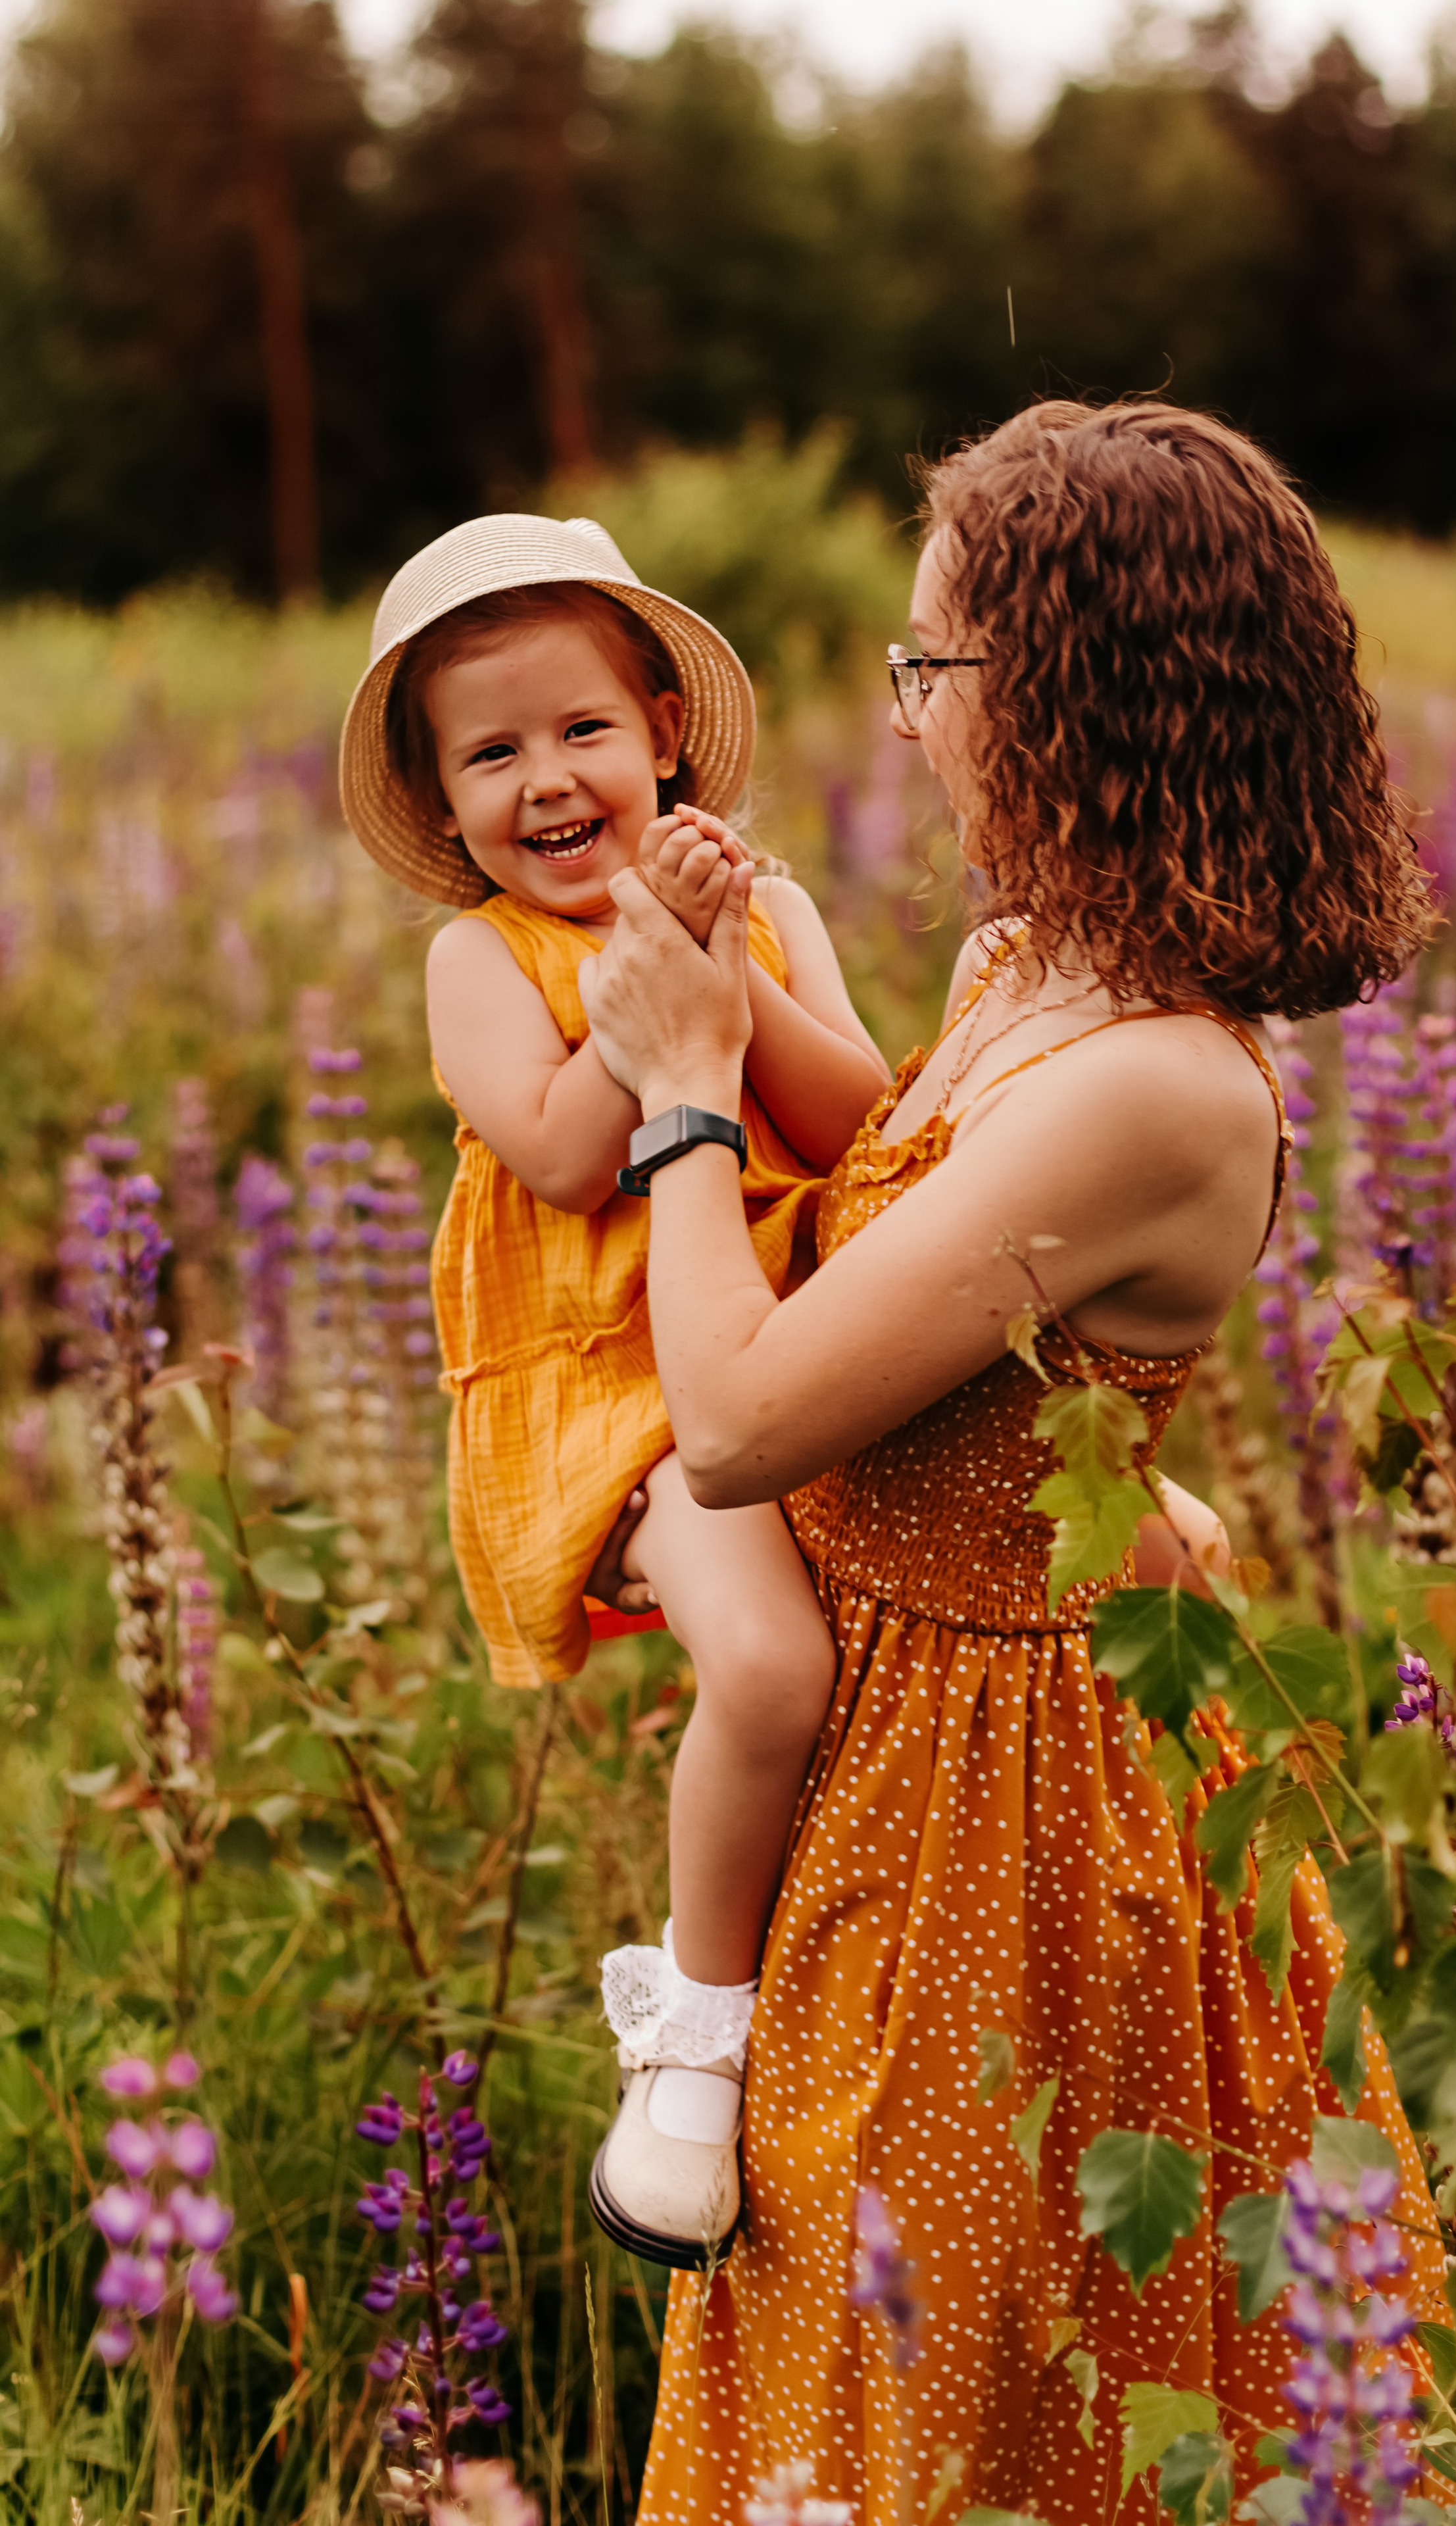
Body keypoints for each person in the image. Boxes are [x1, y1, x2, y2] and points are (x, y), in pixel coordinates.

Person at [571, 402, 1442, 2525]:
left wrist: (685, 1090)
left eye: (930, 668)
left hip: (1015, 1802)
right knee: (852, 2343)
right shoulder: (1025, 963)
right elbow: (932, 1239)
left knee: (947, 2372)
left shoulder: (1164, 1089)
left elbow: (753, 1418)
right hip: (893, 1722)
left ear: (1063, 694)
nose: (911, 719)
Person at [337, 514, 892, 2265]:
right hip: (626, 1392)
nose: (548, 781)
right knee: (772, 1659)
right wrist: (655, 1002)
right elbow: (577, 1159)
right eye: (491, 755)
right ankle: (697, 2044)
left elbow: (857, 1123)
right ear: (445, 812)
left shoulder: (764, 894)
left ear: (661, 726)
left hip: (810, 1328)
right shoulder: (480, 963)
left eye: (580, 730)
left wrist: (720, 965)